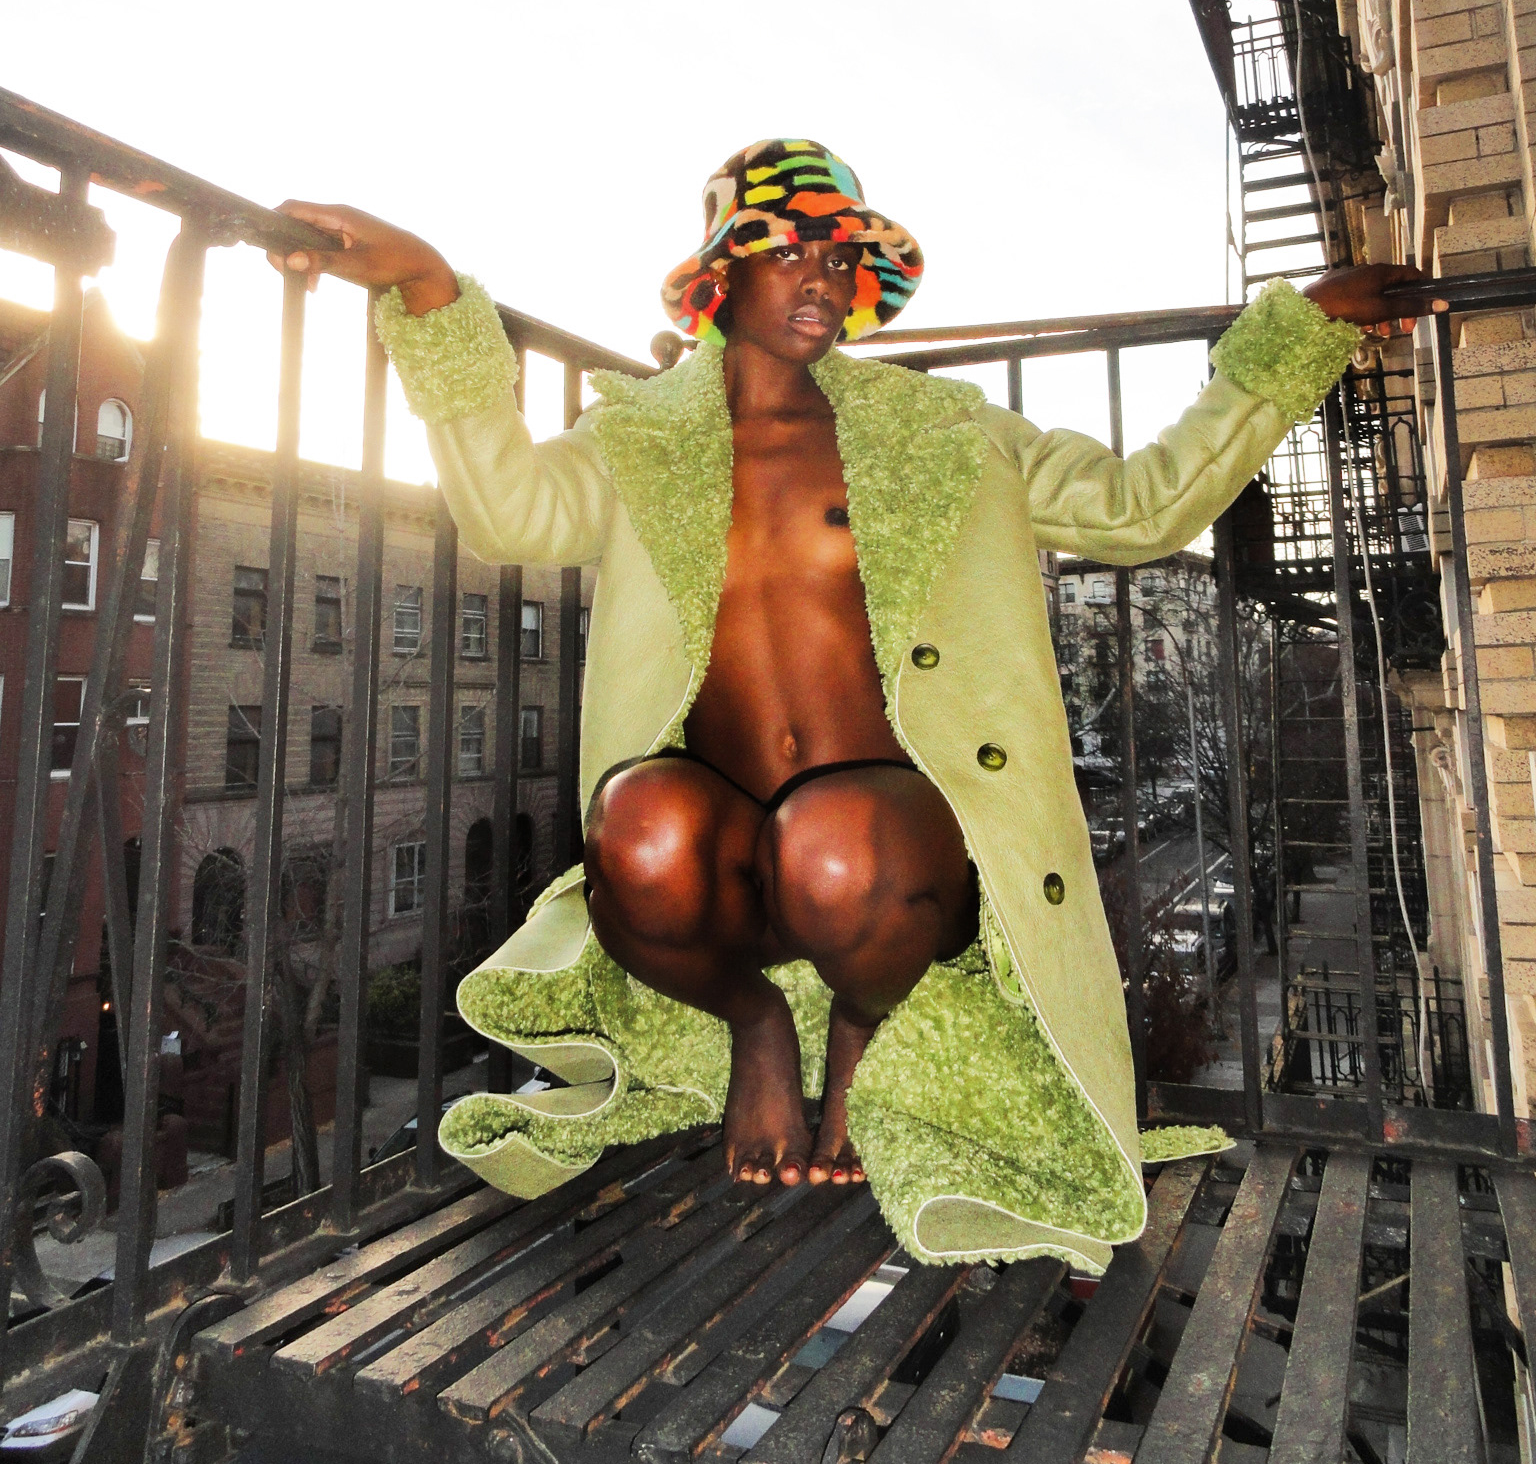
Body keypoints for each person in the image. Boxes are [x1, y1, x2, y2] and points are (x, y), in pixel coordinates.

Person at [276, 141, 1425, 1271]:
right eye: (790, 251)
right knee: (639, 822)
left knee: (834, 834)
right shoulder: (638, 436)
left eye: (841, 257)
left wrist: (1296, 341)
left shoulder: (947, 432)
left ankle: (861, 1039)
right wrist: (426, 289)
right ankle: (758, 1026)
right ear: (723, 273)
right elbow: (511, 515)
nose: (823, 278)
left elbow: (1140, 508)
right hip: (724, 867)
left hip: (886, 861)